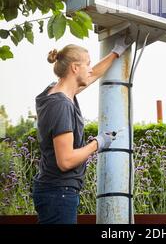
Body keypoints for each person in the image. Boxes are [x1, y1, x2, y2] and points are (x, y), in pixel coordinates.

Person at [32, 36, 132, 224]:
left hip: (53, 191)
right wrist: (98, 143)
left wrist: (116, 52)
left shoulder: (54, 93)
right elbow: (66, 160)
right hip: (59, 193)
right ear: (75, 68)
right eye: (87, 64)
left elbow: (93, 76)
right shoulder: (61, 105)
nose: (90, 68)